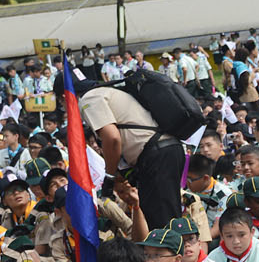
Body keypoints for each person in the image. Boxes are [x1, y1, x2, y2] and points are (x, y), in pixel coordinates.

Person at [80, 79, 187, 229]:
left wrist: (109, 177)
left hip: (156, 155)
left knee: (161, 226)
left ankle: (169, 253)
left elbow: (112, 138)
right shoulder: (110, 92)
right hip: (166, 149)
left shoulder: (88, 98)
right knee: (165, 218)